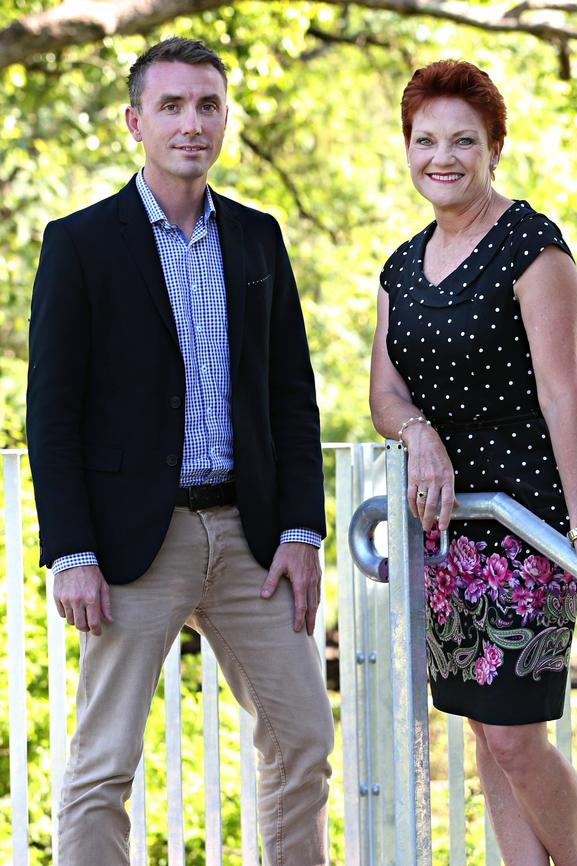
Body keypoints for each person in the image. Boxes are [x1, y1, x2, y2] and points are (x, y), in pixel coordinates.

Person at [26, 36, 333, 866]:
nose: (191, 124)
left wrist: (304, 532)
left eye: (207, 105)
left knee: (304, 738)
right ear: (135, 121)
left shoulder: (259, 240)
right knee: (103, 766)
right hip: (133, 543)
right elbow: (48, 417)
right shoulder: (80, 244)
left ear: (225, 119)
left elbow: (290, 401)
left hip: (252, 537)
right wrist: (72, 551)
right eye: (171, 106)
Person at [369, 59, 577, 866]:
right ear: (408, 147)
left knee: (517, 737)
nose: (440, 157)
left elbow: (566, 399)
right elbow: (383, 394)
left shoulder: (532, 247)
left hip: (524, 528)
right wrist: (419, 434)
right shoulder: (400, 267)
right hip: (445, 532)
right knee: (486, 735)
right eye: (424, 140)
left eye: (462, 140)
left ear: (494, 148)